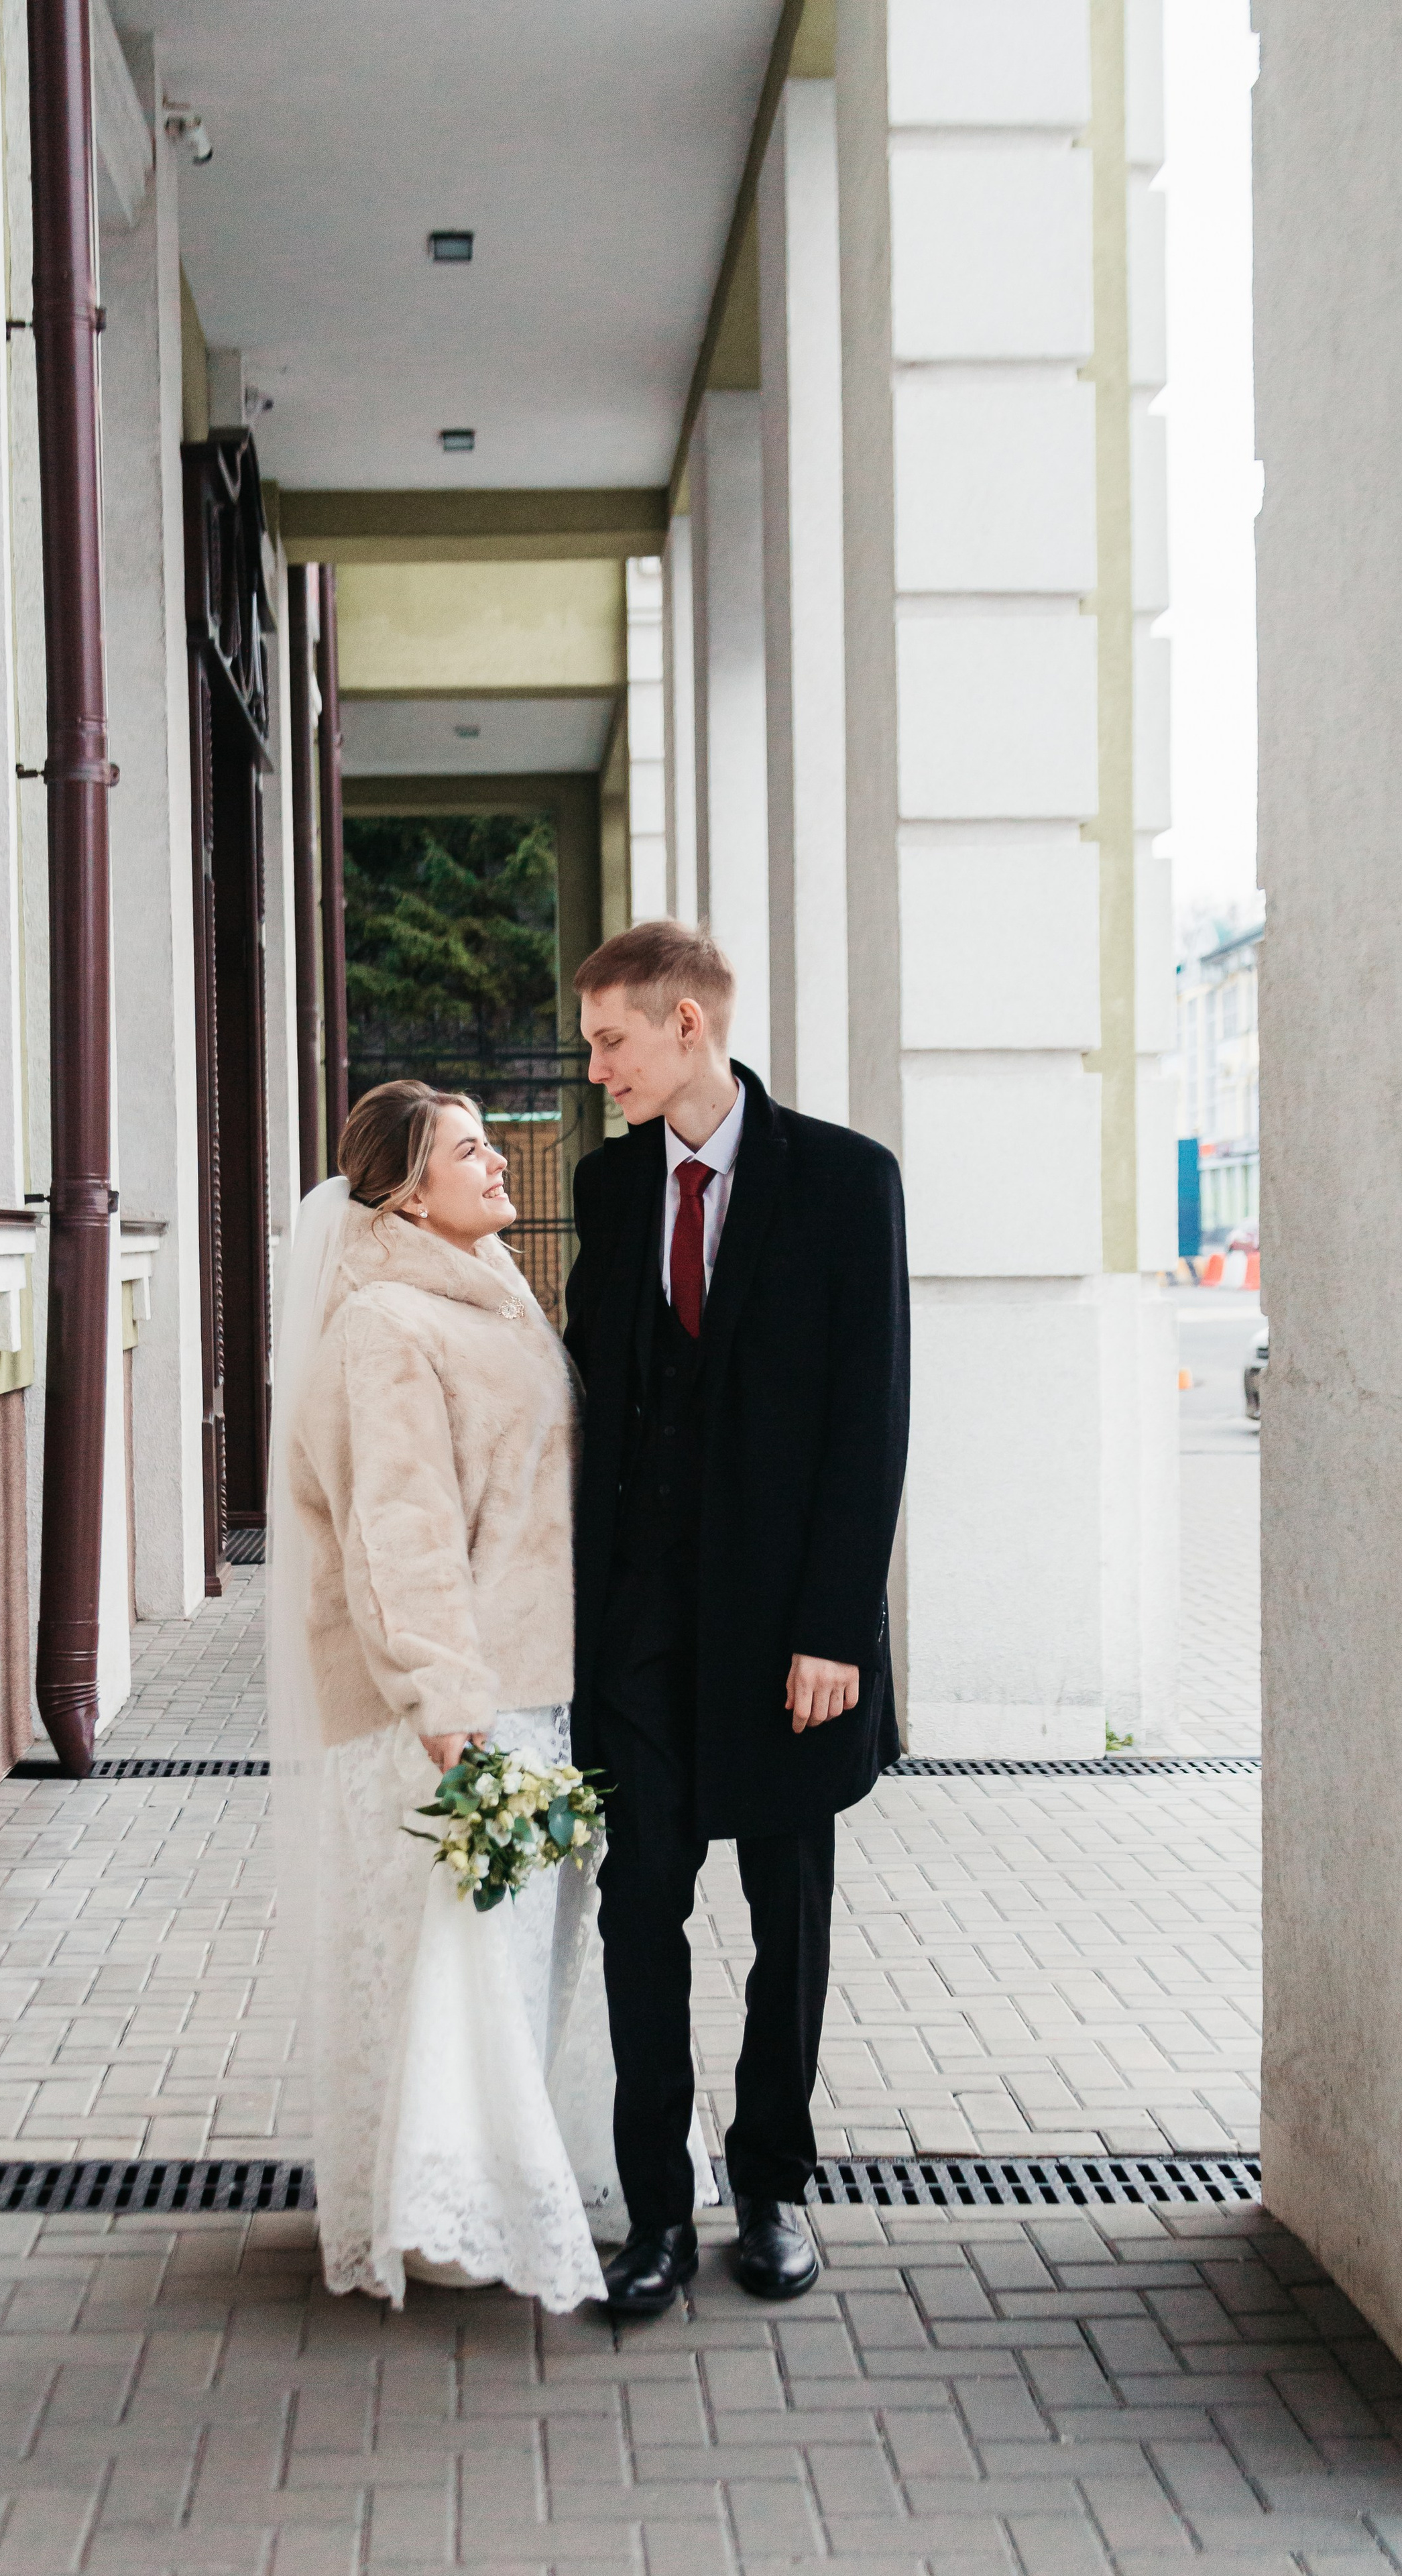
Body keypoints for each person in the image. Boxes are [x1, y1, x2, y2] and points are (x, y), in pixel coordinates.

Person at [269, 1080, 711, 2308]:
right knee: (455, 1959)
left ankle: (463, 2195)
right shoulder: (385, 1326)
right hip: (448, 1702)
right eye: (472, 1149)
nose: (501, 1162)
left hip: (531, 1686)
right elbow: (398, 1532)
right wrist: (446, 1704)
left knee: (507, 1962)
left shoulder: (489, 1296)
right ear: (409, 1190)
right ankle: (447, 2216)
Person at [564, 921, 910, 2318]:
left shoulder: (840, 1181)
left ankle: (766, 2187)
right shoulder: (602, 1185)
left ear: (688, 1025)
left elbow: (867, 1418)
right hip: (637, 1631)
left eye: (611, 1042)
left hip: (787, 1640)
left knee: (790, 1920)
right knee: (635, 1910)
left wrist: (833, 1625)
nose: (597, 1072)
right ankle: (652, 2210)